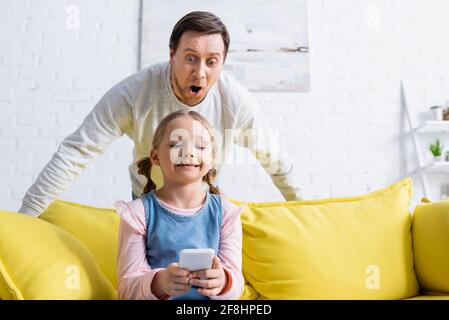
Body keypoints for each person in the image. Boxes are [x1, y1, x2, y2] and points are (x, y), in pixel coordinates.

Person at [18, 11, 303, 217]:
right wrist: (25, 218)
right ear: (171, 55)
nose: (200, 72)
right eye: (190, 58)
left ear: (222, 64)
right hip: (146, 201)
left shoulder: (236, 102)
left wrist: (304, 214)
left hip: (203, 203)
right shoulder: (135, 93)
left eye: (211, 62)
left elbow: (276, 160)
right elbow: (77, 151)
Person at [114, 110, 245, 300]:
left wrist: (224, 281)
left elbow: (236, 284)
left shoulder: (227, 214)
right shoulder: (137, 214)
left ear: (212, 160)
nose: (189, 152)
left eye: (200, 146)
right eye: (176, 144)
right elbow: (126, 290)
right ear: (155, 156)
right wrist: (160, 282)